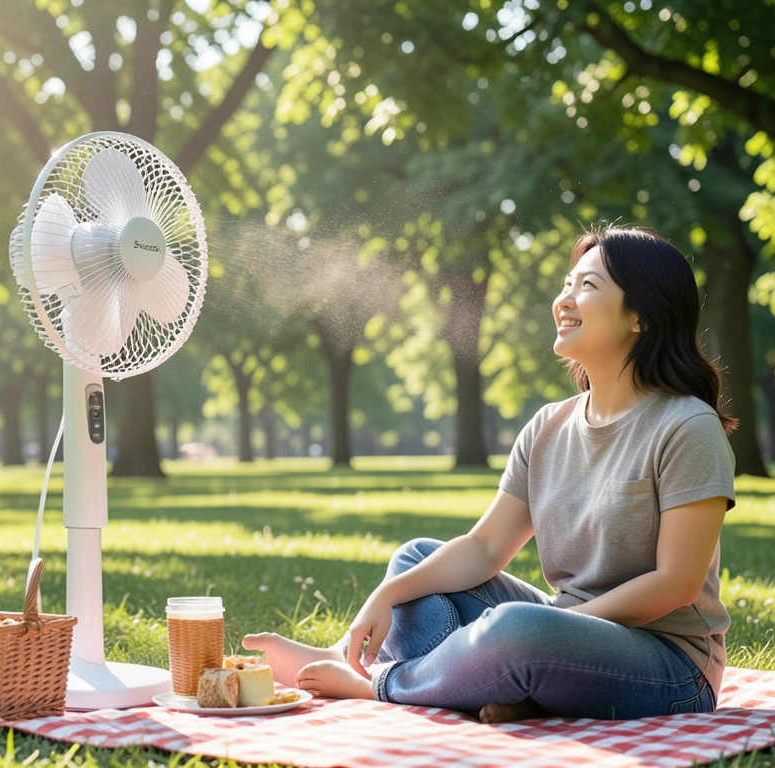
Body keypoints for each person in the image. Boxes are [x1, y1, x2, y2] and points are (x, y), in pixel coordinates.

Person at [243, 224, 738, 721]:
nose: (564, 300)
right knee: (416, 561)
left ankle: (383, 683)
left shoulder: (686, 425)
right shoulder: (549, 426)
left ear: (642, 317)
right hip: (557, 631)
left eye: (587, 286)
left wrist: (550, 629)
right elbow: (483, 549)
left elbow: (677, 584)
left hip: (670, 669)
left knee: (517, 630)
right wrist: (386, 593)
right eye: (567, 284)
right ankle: (446, 674)